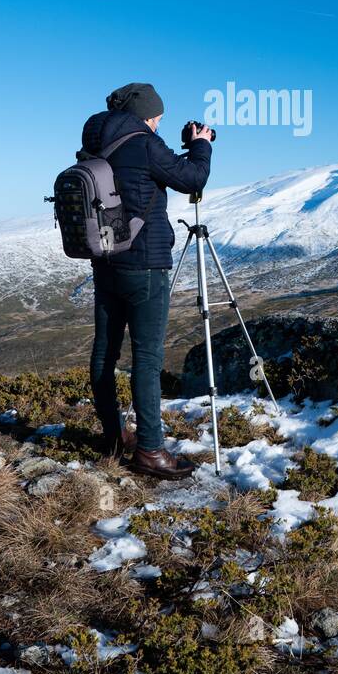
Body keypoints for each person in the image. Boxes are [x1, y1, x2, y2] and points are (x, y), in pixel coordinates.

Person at [81, 82, 213, 479]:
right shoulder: (144, 142)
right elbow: (192, 179)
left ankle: (114, 437)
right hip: (145, 265)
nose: (158, 124)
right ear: (146, 115)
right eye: (156, 117)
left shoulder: (95, 139)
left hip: (105, 262)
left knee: (105, 352)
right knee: (148, 358)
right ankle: (151, 451)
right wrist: (201, 144)